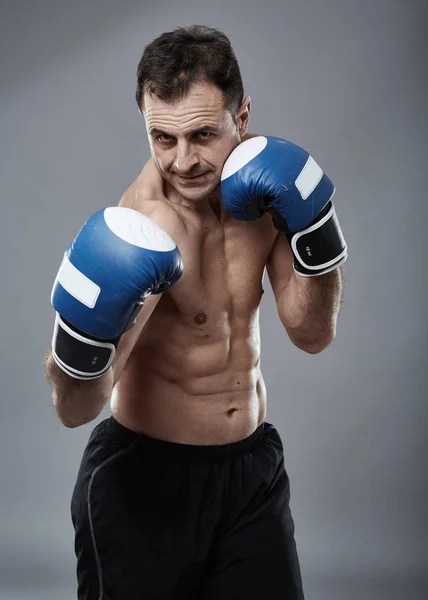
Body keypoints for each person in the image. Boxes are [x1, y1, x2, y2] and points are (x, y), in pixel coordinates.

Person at [44, 25, 346, 600]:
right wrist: (75, 347)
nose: (183, 161)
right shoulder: (147, 225)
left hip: (251, 472)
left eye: (203, 134)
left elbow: (311, 333)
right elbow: (74, 408)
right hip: (147, 485)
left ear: (243, 114)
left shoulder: (265, 198)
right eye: (162, 138)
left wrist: (317, 235)